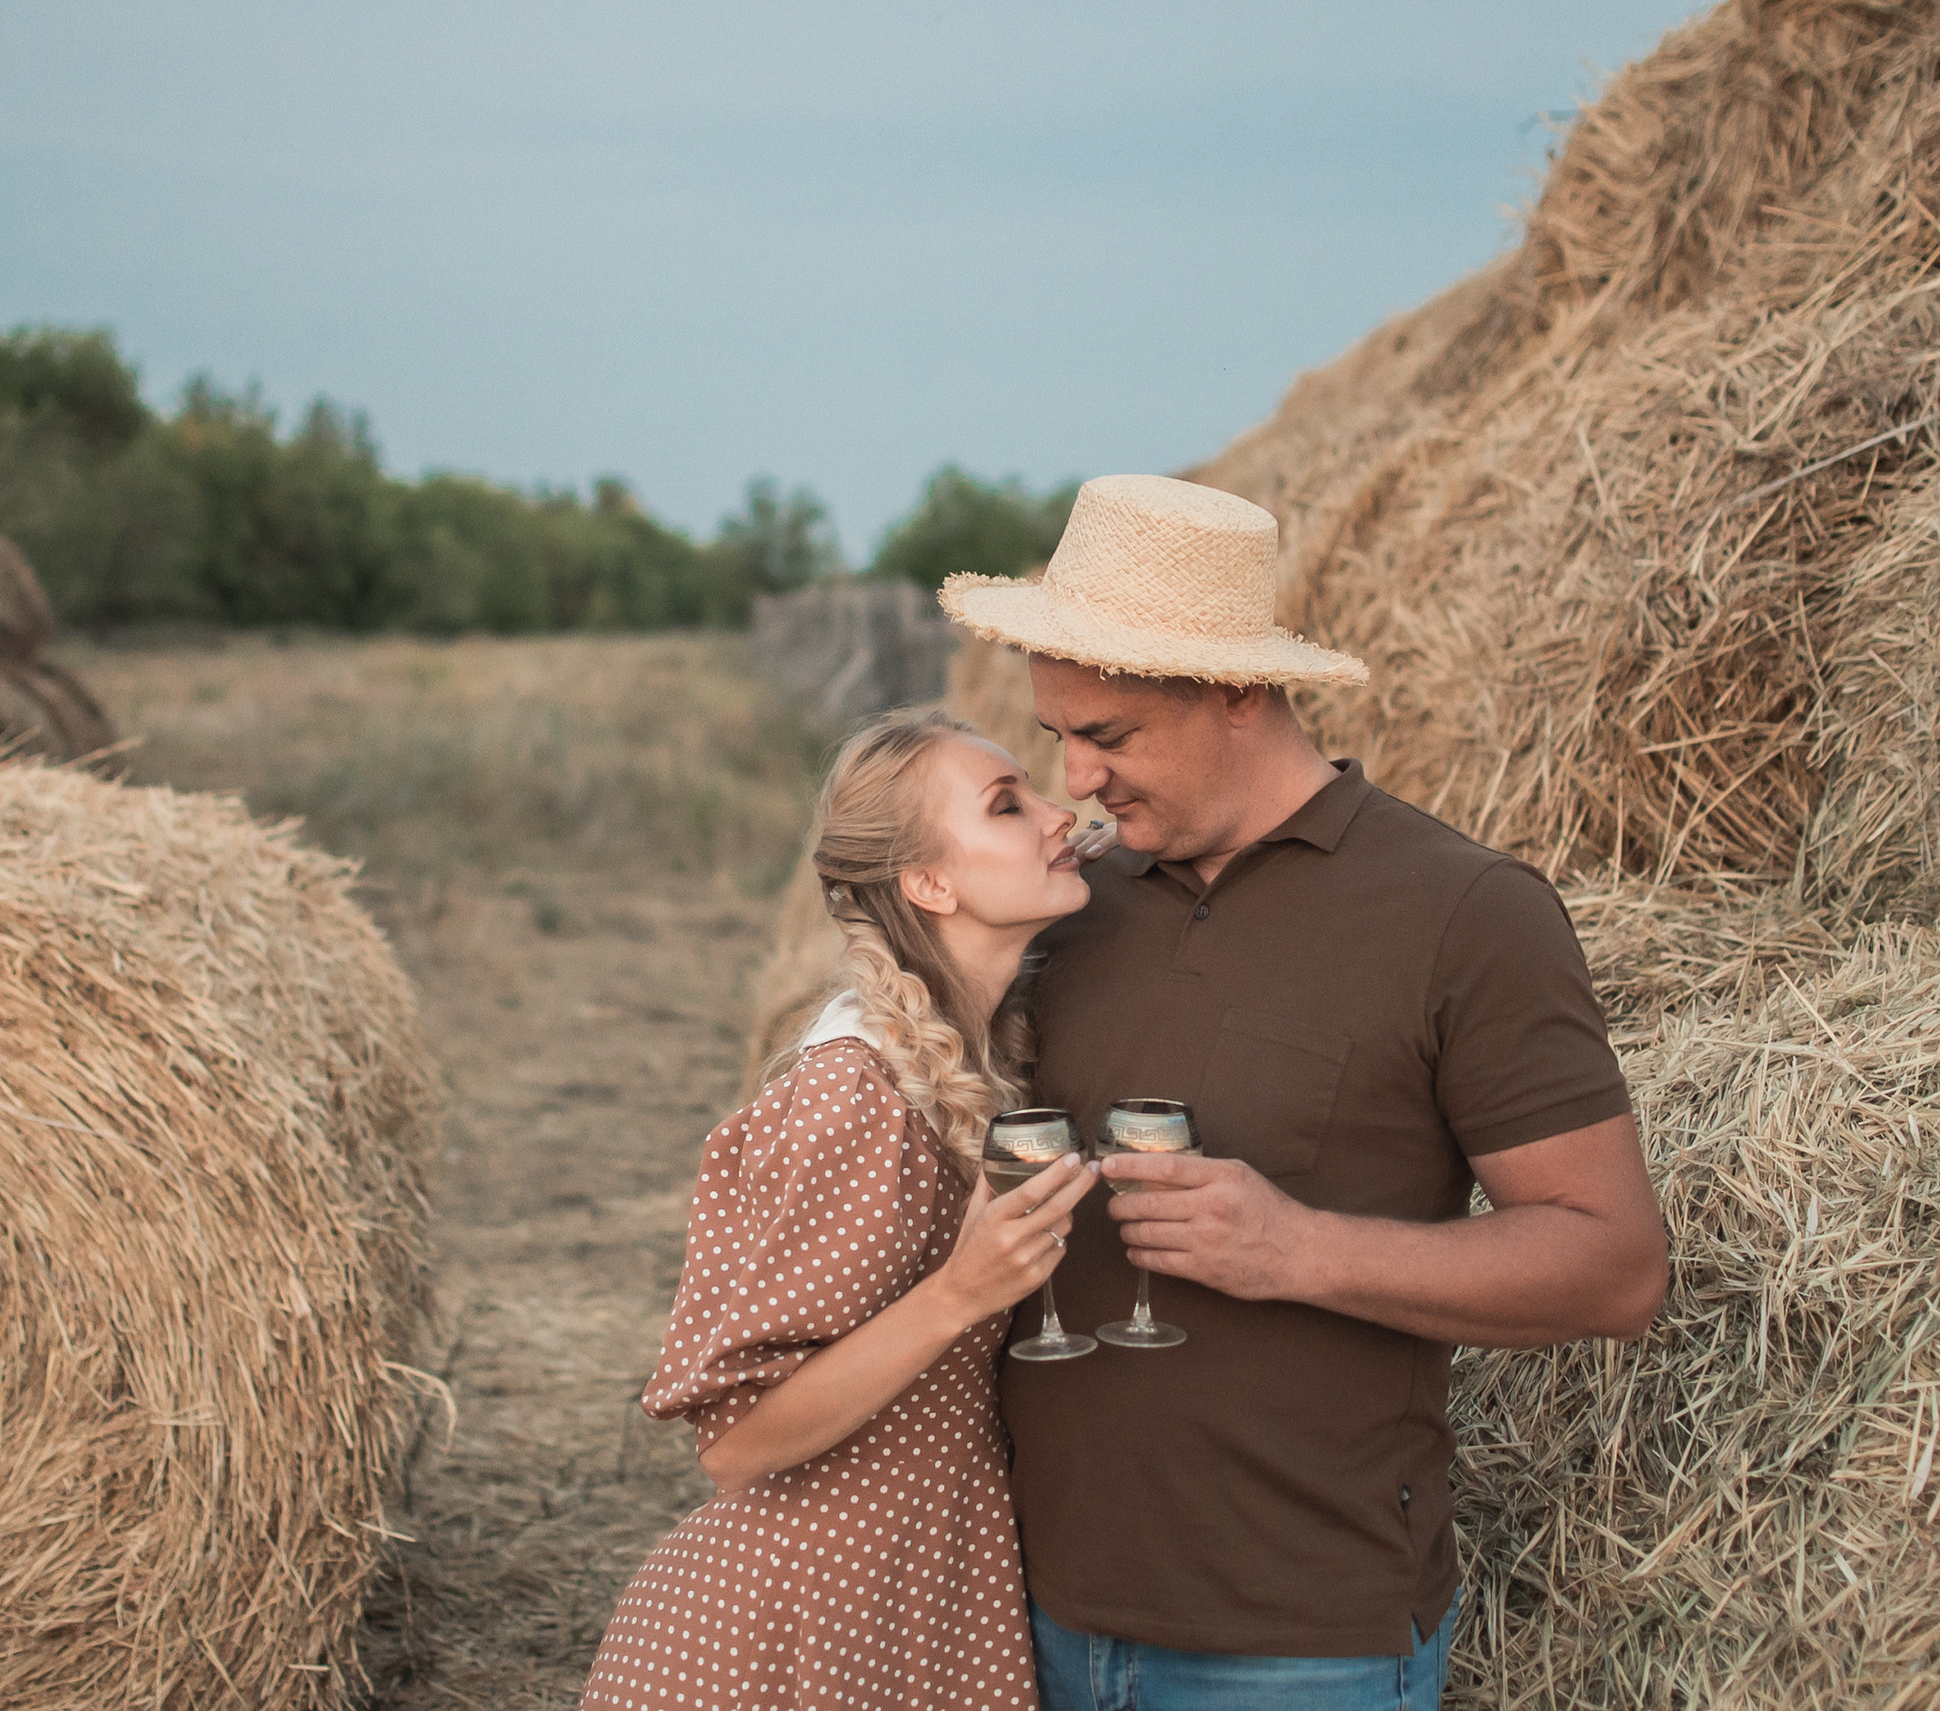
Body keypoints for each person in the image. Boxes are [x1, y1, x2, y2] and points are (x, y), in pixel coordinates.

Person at [938, 474, 1671, 1711]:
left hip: (1299, 1647)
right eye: (1056, 734)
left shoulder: (1463, 913)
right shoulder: (1068, 904)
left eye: (1109, 737)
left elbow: (1615, 1265)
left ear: (1236, 689)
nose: (1075, 781)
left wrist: (1298, 1248)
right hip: (1028, 1618)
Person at [581, 710, 1103, 1710]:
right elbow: (735, 1443)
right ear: (929, 883)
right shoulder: (855, 1093)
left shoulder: (973, 1061)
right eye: (1008, 804)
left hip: (910, 1597)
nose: (1059, 814)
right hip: (791, 1634)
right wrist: (962, 1292)